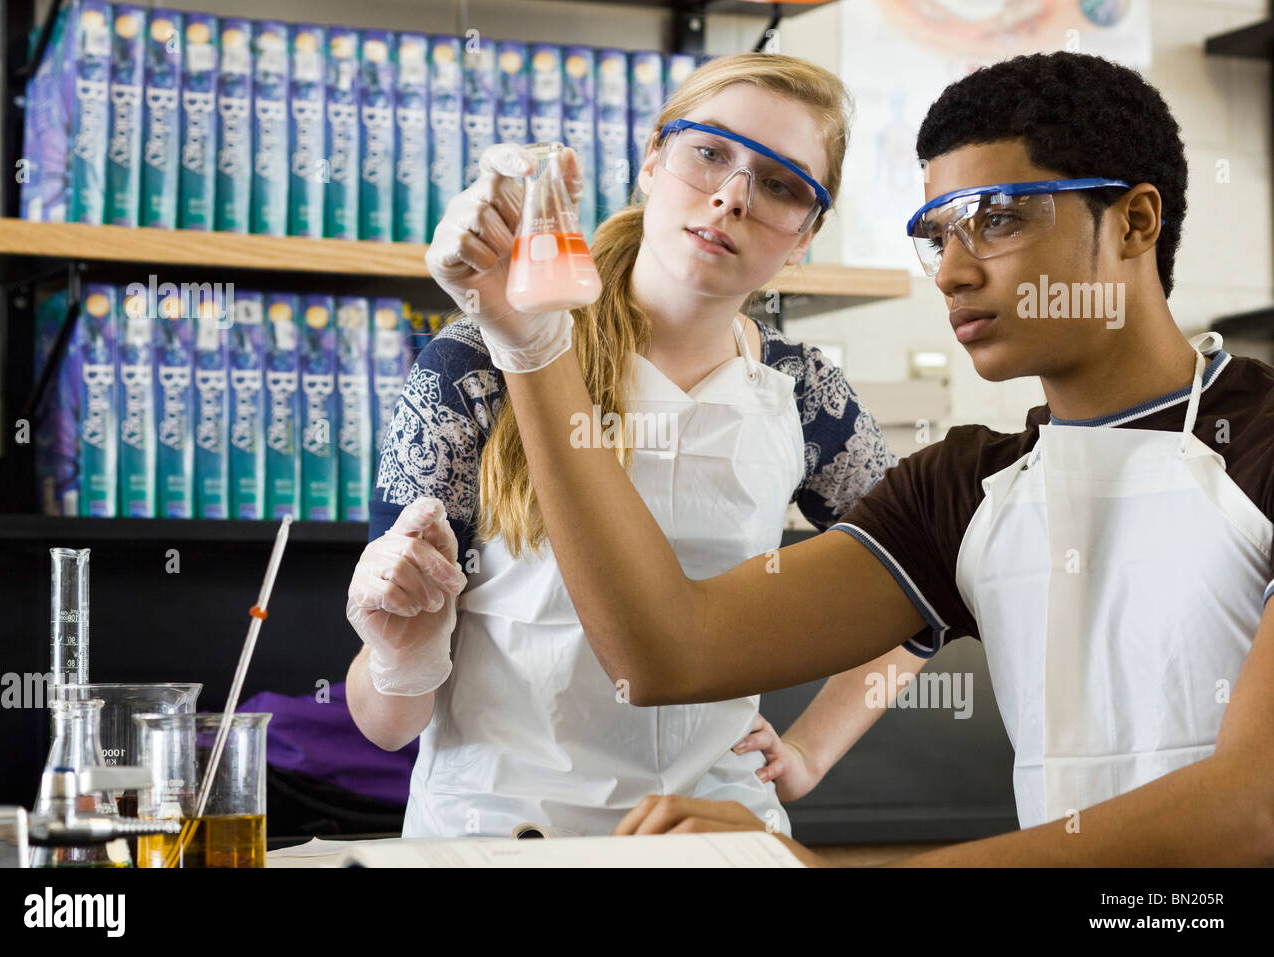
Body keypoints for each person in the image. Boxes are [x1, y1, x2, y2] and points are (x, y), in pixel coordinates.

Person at [445, 50, 1274, 865]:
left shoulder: (1260, 445)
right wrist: (533, 343)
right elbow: (666, 650)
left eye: (997, 218)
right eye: (938, 233)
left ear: (1133, 222)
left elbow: (1252, 809)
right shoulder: (963, 490)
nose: (952, 271)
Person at [344, 53, 927, 839]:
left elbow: (921, 589)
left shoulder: (805, 394)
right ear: (653, 160)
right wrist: (401, 658)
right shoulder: (478, 358)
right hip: (497, 835)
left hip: (712, 836)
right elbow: (386, 723)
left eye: (783, 184)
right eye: (710, 152)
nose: (731, 196)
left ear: (805, 237)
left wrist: (807, 754)